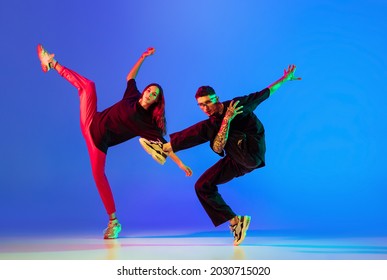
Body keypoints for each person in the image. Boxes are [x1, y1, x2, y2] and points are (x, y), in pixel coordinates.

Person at [37, 44, 192, 239]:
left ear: (155, 102)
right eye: (150, 90)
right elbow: (130, 77)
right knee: (88, 86)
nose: (150, 94)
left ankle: (113, 222)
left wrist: (181, 164)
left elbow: (166, 146)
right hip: (91, 118)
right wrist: (143, 57)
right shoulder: (132, 96)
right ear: (144, 91)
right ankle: (53, 64)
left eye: (154, 95)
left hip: (97, 140)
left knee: (98, 176)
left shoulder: (146, 123)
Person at [139, 65, 301, 245]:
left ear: (216, 98)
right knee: (202, 186)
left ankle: (166, 148)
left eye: (207, 103)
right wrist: (226, 120)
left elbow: (264, 93)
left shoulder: (236, 104)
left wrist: (284, 79)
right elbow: (218, 147)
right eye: (201, 105)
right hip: (236, 159)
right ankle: (236, 222)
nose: (205, 108)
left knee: (209, 127)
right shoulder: (215, 122)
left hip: (251, 150)